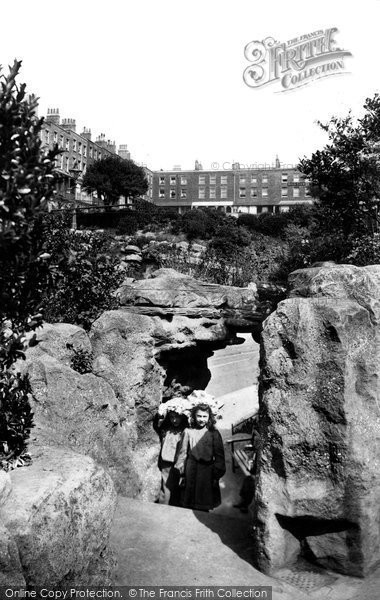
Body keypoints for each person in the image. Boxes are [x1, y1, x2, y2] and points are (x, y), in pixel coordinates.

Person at [175, 403, 226, 512]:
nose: (201, 419)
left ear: (209, 418)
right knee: (188, 501)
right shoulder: (188, 432)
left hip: (206, 472)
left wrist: (216, 473)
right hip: (191, 469)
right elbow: (183, 453)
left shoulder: (214, 433)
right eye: (199, 416)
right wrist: (181, 472)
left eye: (204, 416)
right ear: (194, 416)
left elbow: (219, 456)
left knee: (203, 502)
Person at [154, 407, 188, 506]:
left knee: (178, 489)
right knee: (166, 488)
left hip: (179, 464)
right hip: (166, 463)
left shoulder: (185, 431)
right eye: (172, 417)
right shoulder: (166, 429)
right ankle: (164, 509)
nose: (174, 420)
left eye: (177, 417)